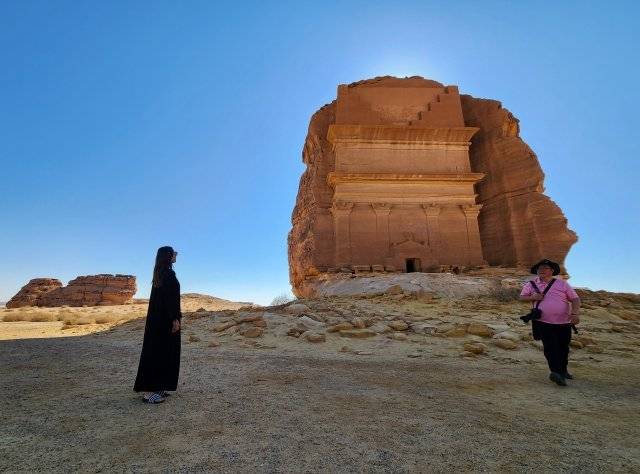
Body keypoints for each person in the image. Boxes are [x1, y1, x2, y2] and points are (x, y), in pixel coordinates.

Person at [520, 259, 580, 386]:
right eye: (539, 268)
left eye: (545, 268)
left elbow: (575, 299)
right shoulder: (531, 284)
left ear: (552, 271)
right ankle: (556, 372)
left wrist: (575, 313)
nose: (541, 270)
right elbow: (522, 297)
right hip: (542, 322)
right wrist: (533, 297)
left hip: (564, 322)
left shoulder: (562, 284)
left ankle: (563, 370)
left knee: (563, 347)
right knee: (550, 347)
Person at [134, 246, 182, 403]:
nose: (176, 254)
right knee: (159, 353)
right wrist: (175, 319)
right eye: (173, 252)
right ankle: (149, 393)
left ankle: (158, 387)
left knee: (160, 352)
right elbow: (170, 300)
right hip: (165, 321)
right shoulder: (167, 274)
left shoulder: (160, 274)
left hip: (158, 321)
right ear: (168, 256)